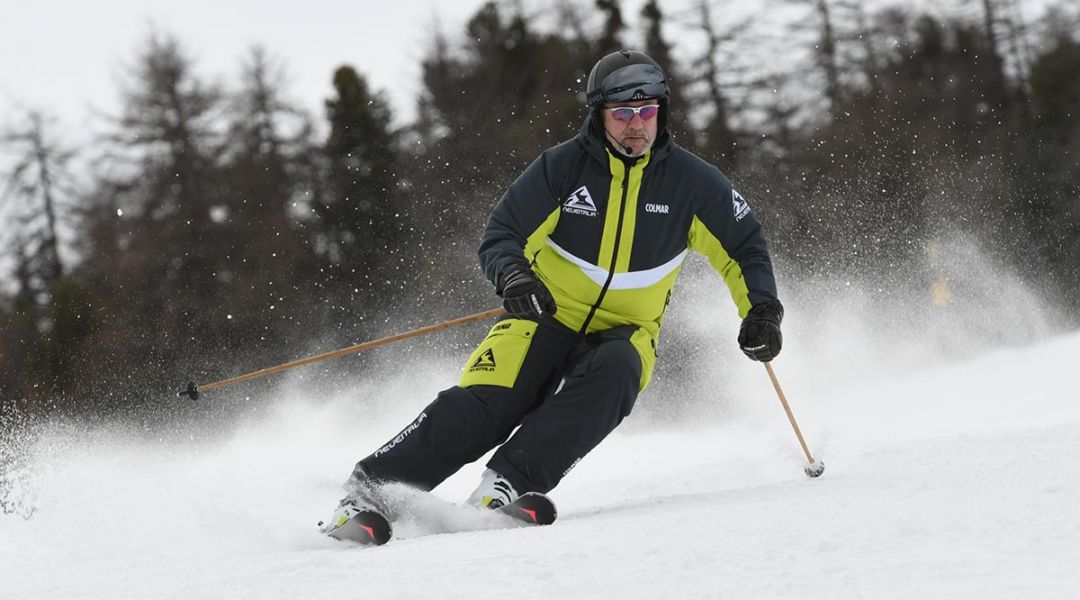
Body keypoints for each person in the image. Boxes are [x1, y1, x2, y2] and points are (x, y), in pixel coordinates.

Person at [334, 49, 783, 519]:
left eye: (647, 111)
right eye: (623, 113)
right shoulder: (563, 168)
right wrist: (514, 276)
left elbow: (744, 247)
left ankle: (505, 487)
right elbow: (503, 234)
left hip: (628, 329)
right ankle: (369, 494)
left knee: (618, 372)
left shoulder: (693, 184)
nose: (637, 125)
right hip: (543, 313)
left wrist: (762, 311)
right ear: (599, 114)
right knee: (492, 401)